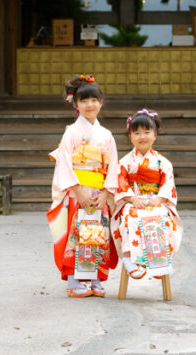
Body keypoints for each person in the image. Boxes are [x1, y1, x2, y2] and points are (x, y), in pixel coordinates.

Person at [47, 74, 119, 298]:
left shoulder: (106, 135)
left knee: (98, 234)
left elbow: (113, 166)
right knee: (77, 235)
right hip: (77, 193)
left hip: (98, 194)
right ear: (76, 105)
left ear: (101, 102)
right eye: (84, 101)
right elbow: (64, 163)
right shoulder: (71, 132)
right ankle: (75, 280)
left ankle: (96, 278)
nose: (90, 105)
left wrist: (106, 192)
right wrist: (77, 191)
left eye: (94, 100)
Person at [113, 109, 182, 280]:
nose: (142, 136)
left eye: (146, 132)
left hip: (155, 200)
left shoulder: (162, 162)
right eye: (136, 133)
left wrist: (159, 198)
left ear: (155, 135)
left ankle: (158, 260)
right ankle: (129, 259)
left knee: (162, 216)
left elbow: (168, 183)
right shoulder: (124, 162)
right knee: (130, 215)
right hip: (132, 200)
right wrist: (131, 198)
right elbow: (120, 181)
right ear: (130, 137)